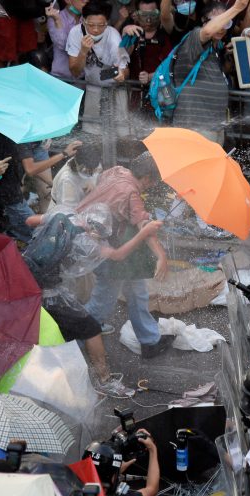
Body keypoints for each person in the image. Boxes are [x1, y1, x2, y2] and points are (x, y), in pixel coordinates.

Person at [25, 204, 163, 397]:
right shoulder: (88, 243)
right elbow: (118, 255)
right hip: (49, 293)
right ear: (97, 231)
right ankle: (104, 380)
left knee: (43, 330)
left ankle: (48, 369)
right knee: (91, 328)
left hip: (23, 278)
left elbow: (29, 221)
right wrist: (144, 232)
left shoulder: (63, 214)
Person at [77, 152, 170, 359]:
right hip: (100, 246)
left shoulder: (117, 171)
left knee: (136, 290)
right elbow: (144, 228)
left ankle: (150, 341)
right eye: (152, 180)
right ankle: (74, 343)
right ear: (146, 178)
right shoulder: (131, 194)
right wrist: (162, 257)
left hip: (94, 237)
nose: (152, 185)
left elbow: (102, 182)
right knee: (102, 302)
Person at [170, 0, 248, 145]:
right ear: (203, 21)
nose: (221, 28)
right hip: (195, 126)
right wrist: (237, 8)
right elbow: (207, 32)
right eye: (217, 22)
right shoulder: (193, 38)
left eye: (226, 23)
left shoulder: (215, 48)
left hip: (214, 126)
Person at [66, 1, 131, 137]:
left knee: (121, 131)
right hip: (93, 86)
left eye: (100, 25)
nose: (95, 29)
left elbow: (125, 70)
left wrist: (120, 74)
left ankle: (120, 156)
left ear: (107, 22)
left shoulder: (113, 37)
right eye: (91, 25)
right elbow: (75, 71)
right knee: (91, 129)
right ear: (83, 21)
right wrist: (83, 52)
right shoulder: (75, 33)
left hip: (115, 88)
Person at [83, 428, 160, 496]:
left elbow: (97, 460)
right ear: (112, 476)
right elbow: (152, 489)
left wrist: (115, 469)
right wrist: (152, 449)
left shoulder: (72, 492)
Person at [120, 0, 174, 111]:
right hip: (134, 92)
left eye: (152, 15)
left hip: (159, 91)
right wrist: (124, 33)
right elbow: (120, 58)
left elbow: (171, 66)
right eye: (144, 15)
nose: (148, 20)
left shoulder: (164, 36)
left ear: (158, 13)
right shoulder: (131, 33)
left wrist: (151, 76)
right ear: (136, 14)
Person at [49, 142, 102, 210]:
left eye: (93, 170)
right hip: (65, 212)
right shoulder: (66, 180)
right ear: (77, 163)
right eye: (86, 171)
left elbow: (98, 170)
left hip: (83, 204)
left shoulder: (93, 161)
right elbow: (68, 211)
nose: (90, 174)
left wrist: (91, 181)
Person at [46, 0, 88, 78]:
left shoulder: (88, 18)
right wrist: (57, 20)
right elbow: (63, 45)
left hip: (83, 79)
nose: (86, 1)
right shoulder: (55, 18)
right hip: (61, 78)